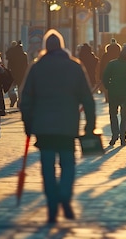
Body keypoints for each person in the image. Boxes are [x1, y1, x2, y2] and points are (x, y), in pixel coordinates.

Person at [20, 29, 96, 224]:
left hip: (44, 127)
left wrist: (28, 124)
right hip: (68, 125)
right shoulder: (75, 66)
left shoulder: (37, 68)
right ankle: (65, 196)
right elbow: (87, 99)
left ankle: (53, 203)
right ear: (62, 46)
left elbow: (25, 99)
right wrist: (90, 124)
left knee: (47, 167)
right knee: (68, 163)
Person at [102, 44, 126, 146]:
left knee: (113, 114)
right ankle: (123, 137)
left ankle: (115, 134)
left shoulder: (112, 64)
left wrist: (108, 86)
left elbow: (105, 77)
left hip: (113, 93)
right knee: (124, 116)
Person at [5, 40, 28, 107]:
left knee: (10, 87)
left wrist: (8, 71)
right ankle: (19, 101)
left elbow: (9, 63)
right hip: (21, 74)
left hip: (12, 73)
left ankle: (13, 98)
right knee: (20, 88)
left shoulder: (12, 54)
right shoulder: (24, 55)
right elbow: (26, 65)